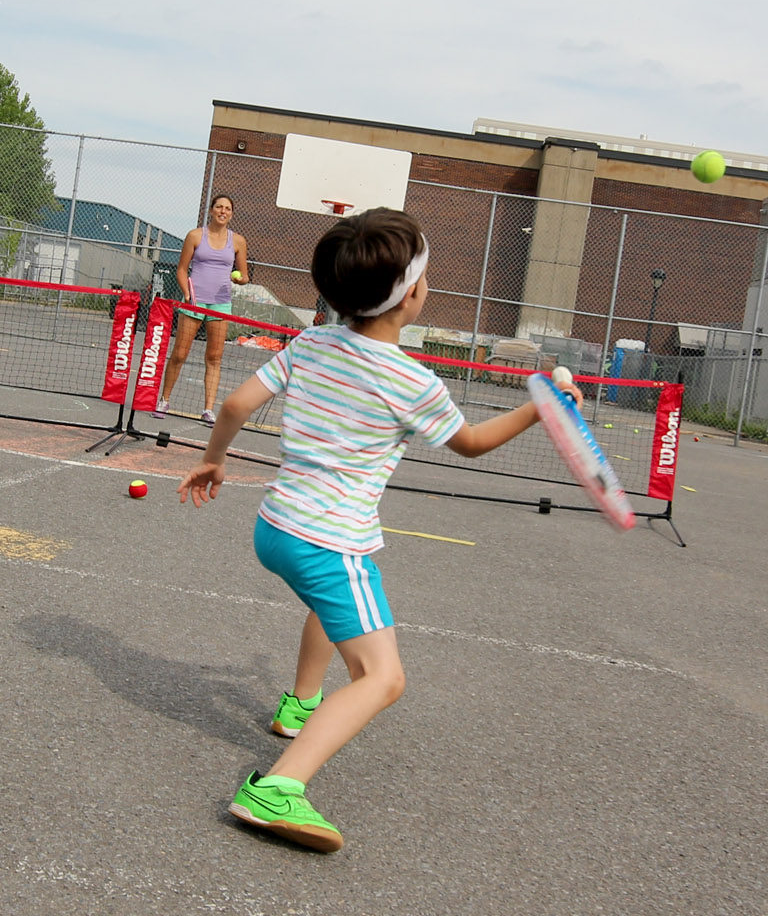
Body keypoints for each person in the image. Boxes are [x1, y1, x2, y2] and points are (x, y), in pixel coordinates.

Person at [177, 207, 582, 853]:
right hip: (329, 543)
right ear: (410, 294)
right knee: (382, 678)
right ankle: (277, 788)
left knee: (330, 608)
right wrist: (543, 407)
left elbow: (234, 403)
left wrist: (214, 459)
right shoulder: (412, 379)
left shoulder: (309, 343)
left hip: (276, 528)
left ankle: (301, 705)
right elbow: (471, 442)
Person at [153, 194, 248, 425]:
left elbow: (244, 276)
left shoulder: (238, 241)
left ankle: (208, 410)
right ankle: (164, 400)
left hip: (221, 304)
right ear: (211, 210)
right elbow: (181, 270)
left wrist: (239, 279)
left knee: (214, 357)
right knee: (180, 354)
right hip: (195, 302)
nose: (223, 211)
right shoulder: (195, 236)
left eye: (227, 208)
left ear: (231, 214)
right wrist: (188, 294)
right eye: (219, 207)